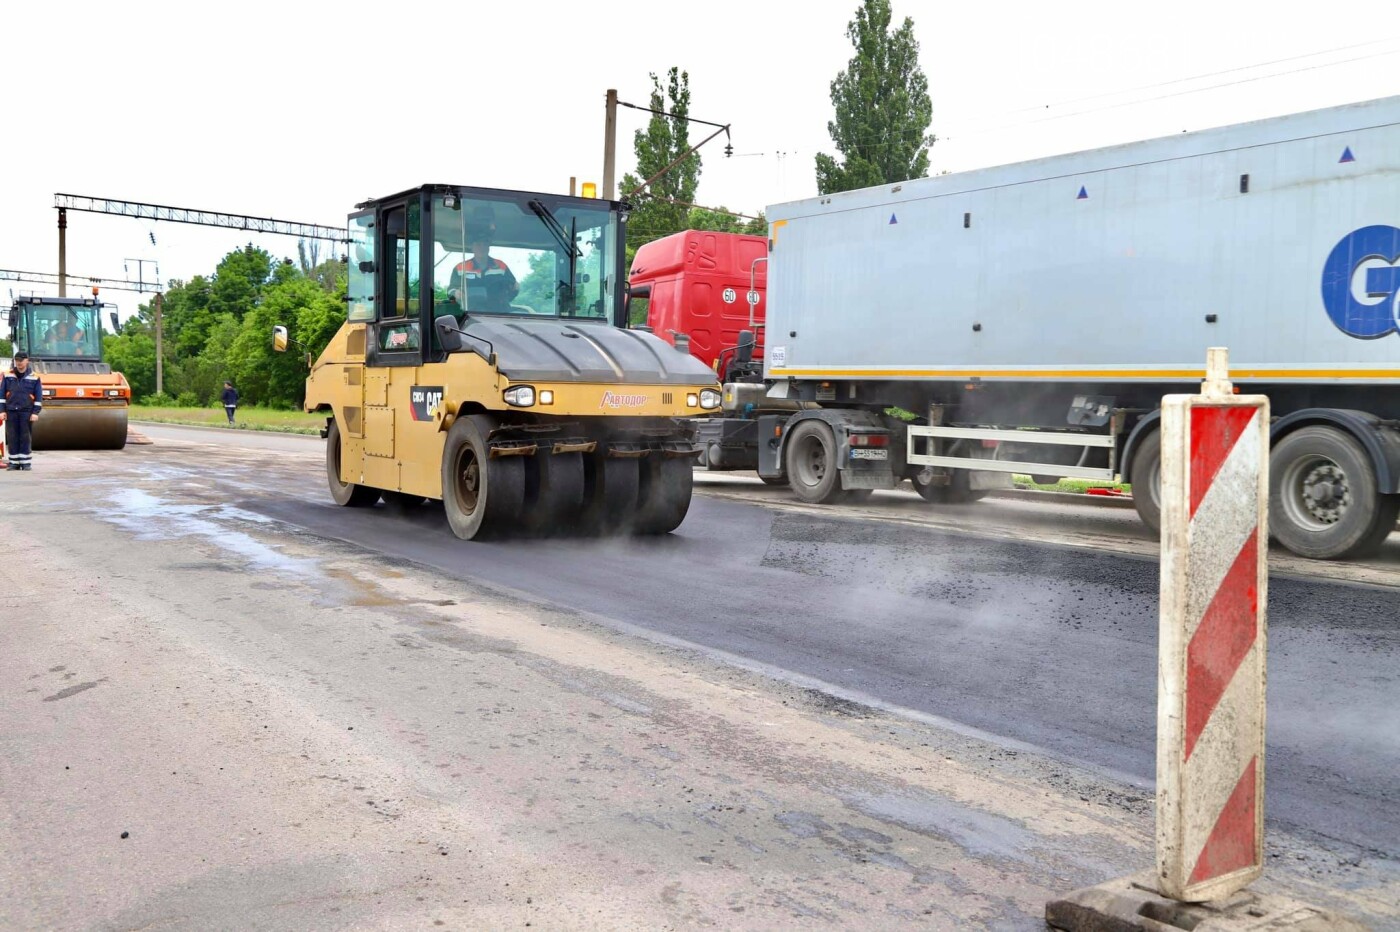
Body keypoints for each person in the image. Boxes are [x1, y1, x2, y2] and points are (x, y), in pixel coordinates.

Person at [450, 212, 518, 312]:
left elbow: (512, 289)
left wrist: (515, 288)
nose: (482, 247)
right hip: (470, 315)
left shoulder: (501, 266)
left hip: (500, 315)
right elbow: (450, 291)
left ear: (489, 247)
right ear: (472, 247)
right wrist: (455, 293)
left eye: (485, 244)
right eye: (478, 244)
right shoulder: (460, 268)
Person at [2, 353, 43, 470]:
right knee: (12, 437)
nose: (19, 362)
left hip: (27, 411)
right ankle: (14, 463)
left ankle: (25, 463)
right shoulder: (7, 375)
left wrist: (35, 412)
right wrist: (1, 411)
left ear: (27, 361)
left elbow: (38, 397)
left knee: (25, 436)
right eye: (17, 360)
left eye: (21, 360)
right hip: (11, 411)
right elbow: (2, 395)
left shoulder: (35, 377)